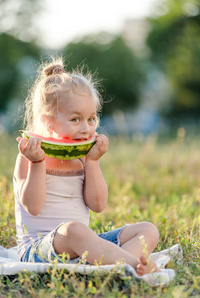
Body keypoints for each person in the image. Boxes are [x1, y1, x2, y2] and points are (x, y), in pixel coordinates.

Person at [14, 58, 160, 276]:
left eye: (91, 119)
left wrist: (92, 162)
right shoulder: (28, 155)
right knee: (73, 229)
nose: (86, 129)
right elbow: (33, 207)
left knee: (147, 230)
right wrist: (37, 163)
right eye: (75, 119)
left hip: (79, 245)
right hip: (38, 249)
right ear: (48, 122)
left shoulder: (83, 158)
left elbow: (98, 205)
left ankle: (104, 264)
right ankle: (132, 266)